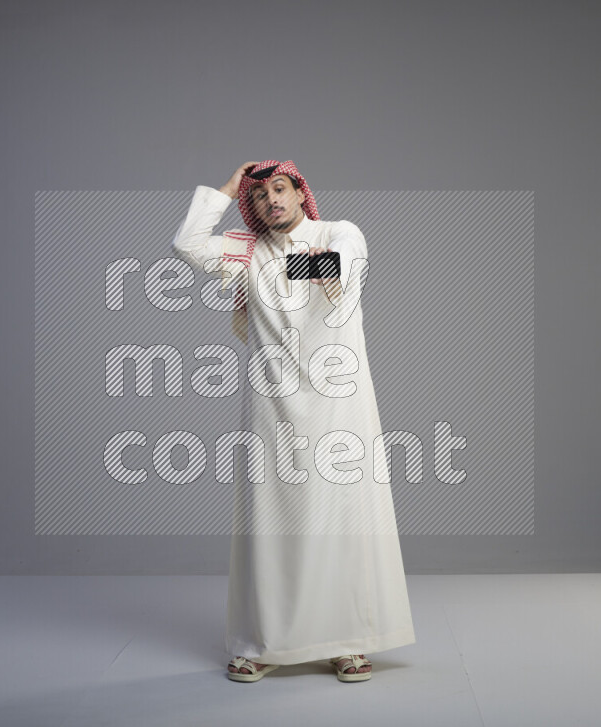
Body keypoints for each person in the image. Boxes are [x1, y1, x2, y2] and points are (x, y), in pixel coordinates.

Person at [170, 160, 415, 683]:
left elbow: (336, 266)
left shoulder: (339, 232)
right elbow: (187, 244)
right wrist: (229, 188)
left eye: (279, 191)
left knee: (343, 520)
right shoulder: (248, 249)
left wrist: (265, 261)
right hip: (271, 408)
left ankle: (348, 641)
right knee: (269, 525)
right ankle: (258, 643)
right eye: (258, 198)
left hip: (339, 408)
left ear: (301, 194)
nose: (270, 202)